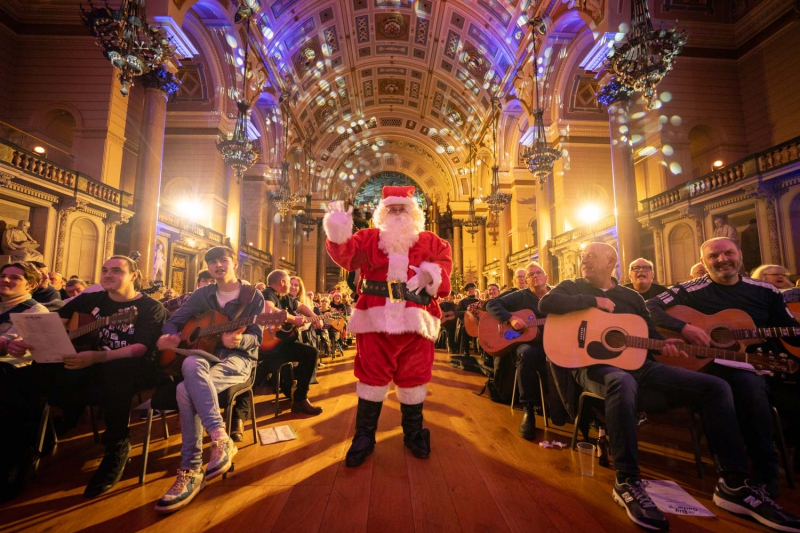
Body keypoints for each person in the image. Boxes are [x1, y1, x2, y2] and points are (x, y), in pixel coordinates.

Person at [538, 242, 800, 532]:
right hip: (594, 367)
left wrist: (665, 344)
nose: (583, 260)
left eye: (590, 256)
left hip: (642, 365)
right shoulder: (571, 287)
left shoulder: (630, 296)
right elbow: (546, 304)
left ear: (610, 262)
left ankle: (734, 483)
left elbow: (647, 332)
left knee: (716, 386)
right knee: (622, 381)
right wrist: (592, 301)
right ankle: (627, 480)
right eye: (583, 256)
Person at [647, 237, 800, 498]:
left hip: (754, 364)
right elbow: (649, 306)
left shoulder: (766, 291)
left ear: (739, 254)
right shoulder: (692, 288)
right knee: (728, 387)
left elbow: (790, 331)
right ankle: (737, 473)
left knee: (748, 385)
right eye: (713, 256)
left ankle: (763, 473)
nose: (722, 260)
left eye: (728, 253)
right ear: (703, 262)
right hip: (706, 364)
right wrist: (684, 328)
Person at [7, 256, 167, 498]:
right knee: (28, 374)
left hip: (136, 367)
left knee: (117, 372)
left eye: (116, 270)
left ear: (134, 276)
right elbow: (54, 323)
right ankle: (24, 448)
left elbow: (139, 349)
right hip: (88, 361)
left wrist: (97, 357)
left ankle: (116, 447)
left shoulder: (150, 307)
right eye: (105, 270)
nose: (108, 274)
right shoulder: (91, 299)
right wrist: (24, 340)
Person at [323, 185, 452, 467]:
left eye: (401, 208)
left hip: (417, 320)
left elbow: (444, 268)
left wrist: (430, 275)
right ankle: (364, 436)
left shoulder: (432, 241)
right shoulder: (368, 238)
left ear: (413, 212)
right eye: (391, 209)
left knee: (414, 378)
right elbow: (347, 256)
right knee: (371, 378)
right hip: (374, 320)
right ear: (382, 213)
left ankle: (414, 434)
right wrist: (338, 230)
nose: (396, 213)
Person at [155, 246, 264, 513]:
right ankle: (220, 438)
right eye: (212, 262)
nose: (218, 265)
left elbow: (256, 339)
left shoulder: (253, 296)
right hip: (204, 355)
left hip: (237, 359)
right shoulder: (202, 294)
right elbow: (174, 321)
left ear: (234, 264)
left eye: (223, 260)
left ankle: (191, 469)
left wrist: (239, 339)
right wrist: (170, 335)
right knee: (190, 362)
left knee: (184, 390)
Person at [485, 262, 558, 439]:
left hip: (555, 343)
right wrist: (511, 319)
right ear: (526, 280)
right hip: (531, 345)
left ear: (546, 276)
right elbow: (492, 304)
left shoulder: (557, 295)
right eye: (530, 275)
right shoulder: (521, 295)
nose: (535, 276)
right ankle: (528, 409)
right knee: (526, 354)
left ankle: (563, 407)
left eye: (538, 272)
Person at [0, 262, 49, 501]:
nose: (5, 280)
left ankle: (14, 462)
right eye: (3, 275)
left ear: (31, 284)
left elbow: (8, 344)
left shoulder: (36, 311)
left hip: (18, 373)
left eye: (15, 277)